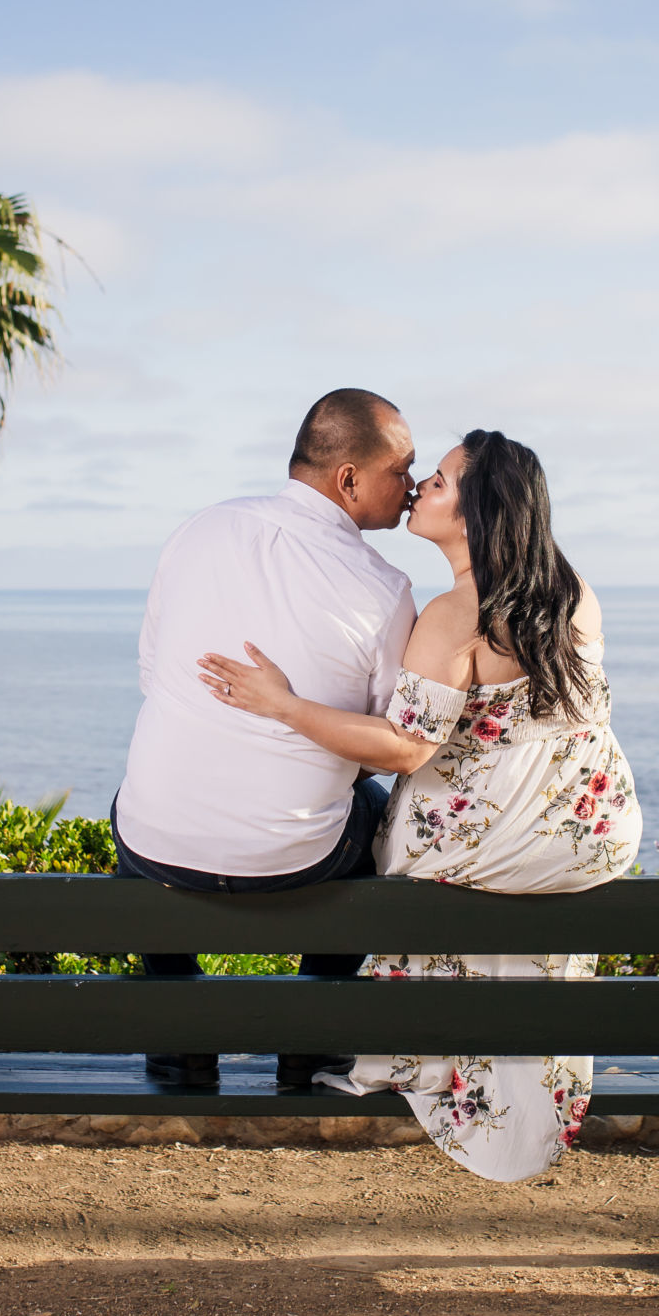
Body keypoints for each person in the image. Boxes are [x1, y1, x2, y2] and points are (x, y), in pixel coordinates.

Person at [198, 428, 640, 1181]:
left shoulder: (453, 614)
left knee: (367, 814)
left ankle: (342, 1034)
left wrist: (284, 705)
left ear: (477, 510)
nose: (418, 489)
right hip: (587, 834)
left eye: (437, 480)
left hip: (488, 844)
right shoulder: (574, 592)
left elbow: (404, 750)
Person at [112, 387, 421, 1088]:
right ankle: (310, 1040)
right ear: (348, 479)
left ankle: (182, 1041)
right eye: (400, 469)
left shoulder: (199, 530)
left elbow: (153, 672)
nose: (409, 488)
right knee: (382, 813)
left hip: (160, 846)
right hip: (299, 857)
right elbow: (383, 740)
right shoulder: (384, 588)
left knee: (137, 803)